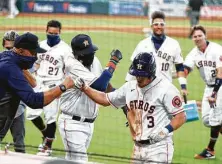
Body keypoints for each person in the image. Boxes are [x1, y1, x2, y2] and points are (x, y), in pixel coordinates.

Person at [74, 52, 186, 163]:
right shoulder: (130, 87)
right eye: (136, 74)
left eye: (142, 75)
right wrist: (85, 88)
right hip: (137, 148)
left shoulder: (166, 89)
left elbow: (181, 116)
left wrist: (164, 131)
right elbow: (105, 99)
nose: (138, 77)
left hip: (159, 147)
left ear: (150, 73)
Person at [58, 34, 122, 162]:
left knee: (71, 161)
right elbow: (99, 86)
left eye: (91, 52)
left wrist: (122, 102)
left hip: (89, 124)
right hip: (72, 124)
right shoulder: (72, 64)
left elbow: (105, 86)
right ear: (77, 54)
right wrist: (113, 63)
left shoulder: (94, 60)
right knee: (80, 161)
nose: (90, 55)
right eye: (86, 53)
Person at [0, 32, 74, 142]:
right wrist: (63, 86)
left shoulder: (6, 58)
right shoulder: (10, 69)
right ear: (20, 51)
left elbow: (33, 83)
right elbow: (34, 101)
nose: (36, 57)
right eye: (33, 52)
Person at [25, 20, 74, 156]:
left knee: (50, 117)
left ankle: (48, 146)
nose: (52, 35)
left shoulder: (66, 49)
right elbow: (36, 63)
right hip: (38, 84)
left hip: (54, 86)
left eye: (55, 33)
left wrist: (62, 88)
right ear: (46, 31)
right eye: (50, 33)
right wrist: (30, 72)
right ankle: (46, 135)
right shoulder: (40, 45)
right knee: (31, 115)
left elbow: (69, 71)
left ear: (60, 33)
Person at [125, 11, 187, 96]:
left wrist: (183, 87)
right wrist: (127, 84)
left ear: (164, 26)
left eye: (161, 24)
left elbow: (180, 68)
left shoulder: (174, 44)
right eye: (156, 24)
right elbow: (133, 66)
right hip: (146, 89)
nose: (159, 27)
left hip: (166, 89)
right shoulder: (143, 44)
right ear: (151, 26)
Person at [183, 25, 222, 159]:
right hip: (208, 87)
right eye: (195, 36)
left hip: (220, 86)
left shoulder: (217, 49)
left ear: (205, 36)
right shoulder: (194, 53)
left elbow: (220, 73)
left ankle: (210, 150)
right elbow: (185, 69)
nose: (198, 38)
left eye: (200, 35)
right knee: (207, 120)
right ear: (192, 39)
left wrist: (215, 93)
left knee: (216, 118)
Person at [1, 30, 35, 153]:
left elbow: (33, 82)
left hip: (18, 108)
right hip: (2, 109)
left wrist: (19, 66)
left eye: (12, 48)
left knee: (19, 143)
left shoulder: (26, 61)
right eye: (7, 47)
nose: (9, 50)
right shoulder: (2, 60)